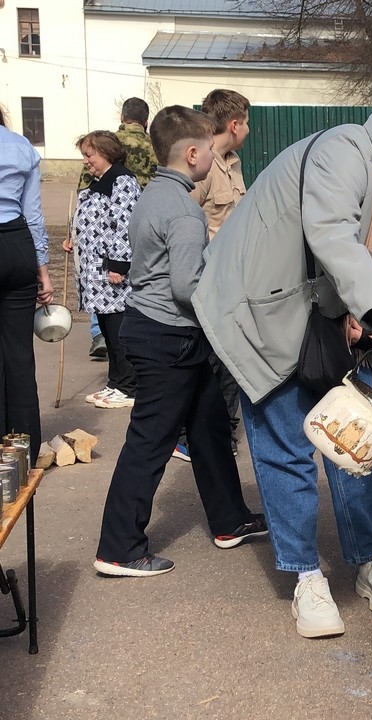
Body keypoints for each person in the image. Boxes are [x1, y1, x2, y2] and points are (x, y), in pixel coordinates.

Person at [192, 100, 372, 638]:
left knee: (359, 441)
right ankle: (306, 574)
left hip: (334, 315)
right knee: (288, 444)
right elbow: (330, 237)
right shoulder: (345, 150)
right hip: (265, 304)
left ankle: (369, 558)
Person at [94, 106, 266, 578]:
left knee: (209, 427)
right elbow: (187, 287)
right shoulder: (185, 212)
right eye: (210, 149)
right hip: (168, 339)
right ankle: (119, 548)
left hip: (160, 334)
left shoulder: (152, 195)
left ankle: (230, 520)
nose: (215, 156)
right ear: (192, 153)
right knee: (149, 442)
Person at [172, 89, 251, 462]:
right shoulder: (201, 168)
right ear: (234, 124)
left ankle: (223, 432)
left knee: (231, 362)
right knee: (214, 362)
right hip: (208, 281)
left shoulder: (232, 163)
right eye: (247, 122)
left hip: (232, 279)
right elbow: (183, 222)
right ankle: (193, 437)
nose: (248, 130)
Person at [65, 131, 141, 409]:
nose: (86, 161)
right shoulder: (99, 182)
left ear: (106, 152)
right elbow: (94, 221)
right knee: (107, 330)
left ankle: (128, 384)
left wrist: (119, 263)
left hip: (112, 271)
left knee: (118, 327)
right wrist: (75, 238)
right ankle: (116, 381)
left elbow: (125, 224)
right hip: (95, 271)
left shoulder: (122, 181)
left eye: (89, 155)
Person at [79, 97, 158, 360]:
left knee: (112, 305)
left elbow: (85, 186)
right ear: (145, 121)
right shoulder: (152, 146)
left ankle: (100, 338)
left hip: (115, 234)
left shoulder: (104, 143)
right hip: (144, 224)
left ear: (122, 117)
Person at [0, 106, 54, 464]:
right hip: (16, 244)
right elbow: (33, 213)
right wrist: (44, 273)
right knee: (19, 353)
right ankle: (24, 446)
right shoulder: (21, 147)